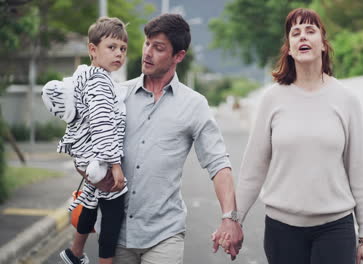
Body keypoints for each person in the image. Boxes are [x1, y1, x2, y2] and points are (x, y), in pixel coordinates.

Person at [215, 7, 363, 264]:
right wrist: (235, 220)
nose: (302, 37)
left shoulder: (346, 100)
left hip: (335, 228)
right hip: (282, 230)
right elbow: (253, 168)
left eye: (310, 31)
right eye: (295, 33)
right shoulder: (272, 98)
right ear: (289, 48)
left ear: (323, 44)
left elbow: (358, 170)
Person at [86, 14, 244, 264]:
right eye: (147, 43)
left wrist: (230, 218)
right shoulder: (118, 94)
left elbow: (218, 164)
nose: (147, 52)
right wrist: (89, 174)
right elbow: (87, 144)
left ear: (178, 56)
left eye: (158, 48)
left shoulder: (194, 104)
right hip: (115, 232)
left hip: (165, 234)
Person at [41, 17, 128, 264]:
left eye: (123, 49)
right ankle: (104, 260)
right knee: (113, 209)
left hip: (88, 156)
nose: (118, 54)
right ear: (93, 49)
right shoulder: (100, 82)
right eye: (111, 47)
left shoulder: (85, 76)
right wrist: (115, 164)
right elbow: (102, 125)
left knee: (90, 198)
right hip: (100, 158)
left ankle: (74, 253)